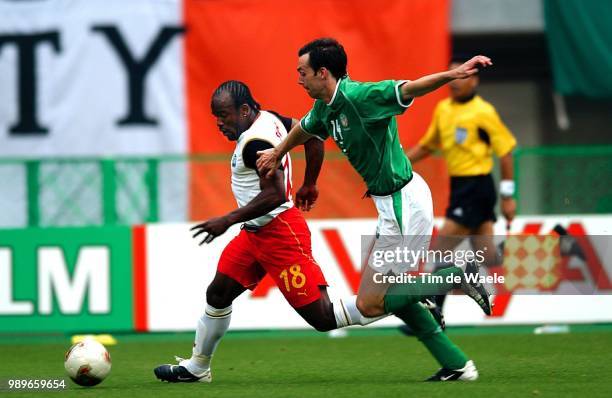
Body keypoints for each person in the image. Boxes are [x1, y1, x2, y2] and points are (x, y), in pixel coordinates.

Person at [257, 38, 492, 381]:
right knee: (394, 295)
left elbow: (409, 88)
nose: (298, 79)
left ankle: (454, 276)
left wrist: (452, 73)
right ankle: (457, 365)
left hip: (403, 204)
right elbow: (304, 130)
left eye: (302, 72)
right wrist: (279, 152)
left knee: (370, 303)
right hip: (392, 204)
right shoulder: (325, 107)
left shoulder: (361, 97)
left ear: (323, 73)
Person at [406, 55, 517, 313]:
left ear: (474, 80)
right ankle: (560, 239)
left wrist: (508, 196)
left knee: (441, 249)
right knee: (489, 256)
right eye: (453, 76)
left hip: (477, 187)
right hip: (460, 188)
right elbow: (428, 145)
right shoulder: (444, 110)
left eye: (463, 76)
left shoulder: (483, 112)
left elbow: (506, 151)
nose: (456, 82)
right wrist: (398, 163)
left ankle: (433, 311)